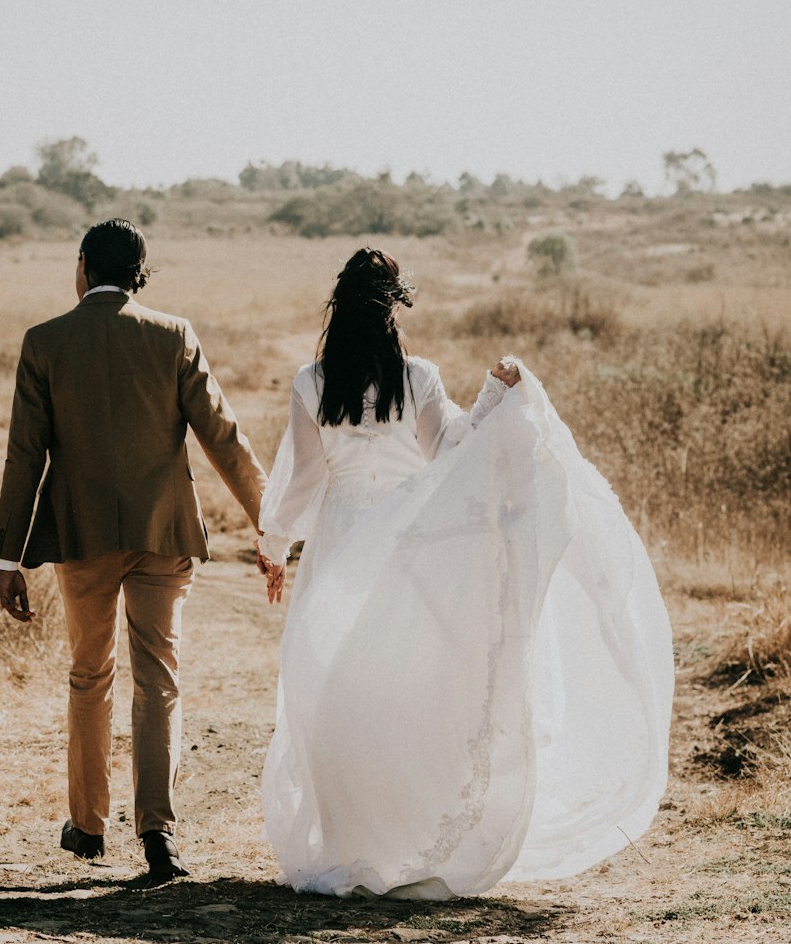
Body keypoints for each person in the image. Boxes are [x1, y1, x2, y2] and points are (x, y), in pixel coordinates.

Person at [257, 248, 673, 899]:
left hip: (339, 545)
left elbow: (308, 478)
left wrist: (274, 541)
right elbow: (453, 447)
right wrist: (496, 393)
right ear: (395, 308)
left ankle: (350, 835)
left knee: (335, 687)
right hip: (404, 548)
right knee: (403, 683)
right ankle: (400, 828)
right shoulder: (416, 376)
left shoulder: (312, 382)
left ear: (338, 308)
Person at [0, 219, 267, 885]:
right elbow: (222, 436)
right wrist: (268, 522)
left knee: (90, 675)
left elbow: (25, 454)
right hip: (162, 534)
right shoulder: (173, 335)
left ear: (83, 265)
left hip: (81, 539)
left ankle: (87, 826)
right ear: (141, 271)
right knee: (159, 678)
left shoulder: (46, 342)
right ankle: (159, 835)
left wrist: (8, 558)